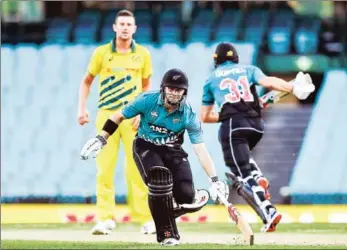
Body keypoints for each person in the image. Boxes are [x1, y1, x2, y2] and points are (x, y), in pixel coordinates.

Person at [80, 68, 229, 246]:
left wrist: (214, 180)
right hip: (145, 145)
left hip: (173, 150)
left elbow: (200, 149)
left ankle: (173, 205)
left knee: (186, 197)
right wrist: (101, 138)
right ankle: (167, 234)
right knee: (159, 179)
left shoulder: (188, 114)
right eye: (171, 88)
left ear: (184, 92)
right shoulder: (146, 100)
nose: (174, 92)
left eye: (178, 89)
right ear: (163, 88)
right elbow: (118, 116)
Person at [199, 42, 315, 232]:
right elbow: (269, 82)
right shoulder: (249, 69)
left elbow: (204, 116)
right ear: (235, 58)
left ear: (216, 61)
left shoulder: (211, 80)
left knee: (241, 174)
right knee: (245, 160)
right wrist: (292, 88)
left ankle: (268, 211)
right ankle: (258, 176)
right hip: (256, 125)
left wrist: (228, 114)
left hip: (233, 127)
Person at [77, 9, 154, 235]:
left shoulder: (142, 54)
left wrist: (143, 112)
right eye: (121, 24)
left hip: (132, 118)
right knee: (104, 169)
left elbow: (147, 86)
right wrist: (82, 109)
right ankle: (105, 219)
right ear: (114, 27)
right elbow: (86, 82)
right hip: (106, 116)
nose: (124, 28)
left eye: (128, 24)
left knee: (137, 169)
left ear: (134, 28)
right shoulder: (102, 53)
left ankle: (145, 219)